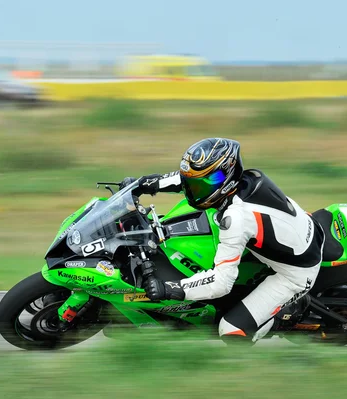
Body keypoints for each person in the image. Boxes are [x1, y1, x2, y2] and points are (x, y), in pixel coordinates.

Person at [120, 137, 325, 343]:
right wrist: (143, 184)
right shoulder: (245, 179)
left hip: (295, 274)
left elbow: (221, 283)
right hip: (300, 232)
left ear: (226, 178)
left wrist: (170, 289)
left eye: (204, 182)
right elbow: (193, 180)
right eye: (194, 183)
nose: (194, 189)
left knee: (231, 331)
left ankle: (285, 313)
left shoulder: (236, 218)